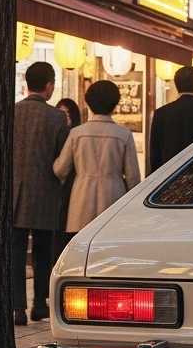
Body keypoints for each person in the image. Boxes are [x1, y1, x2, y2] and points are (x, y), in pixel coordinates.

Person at [12, 62, 70, 326]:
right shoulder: (57, 117)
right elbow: (62, 159)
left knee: (14, 251)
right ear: (49, 85)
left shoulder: (11, 112)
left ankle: (17, 307)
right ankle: (39, 304)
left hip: (14, 194)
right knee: (43, 252)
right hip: (45, 191)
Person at [54, 81, 141, 236]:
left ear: (89, 103)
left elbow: (60, 170)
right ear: (115, 104)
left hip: (81, 201)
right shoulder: (124, 134)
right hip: (113, 198)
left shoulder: (76, 133)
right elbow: (133, 178)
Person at [52, 98, 81, 260]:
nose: (65, 117)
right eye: (61, 113)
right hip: (58, 187)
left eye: (68, 113)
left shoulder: (76, 134)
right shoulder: (55, 134)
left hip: (73, 185)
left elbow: (60, 167)